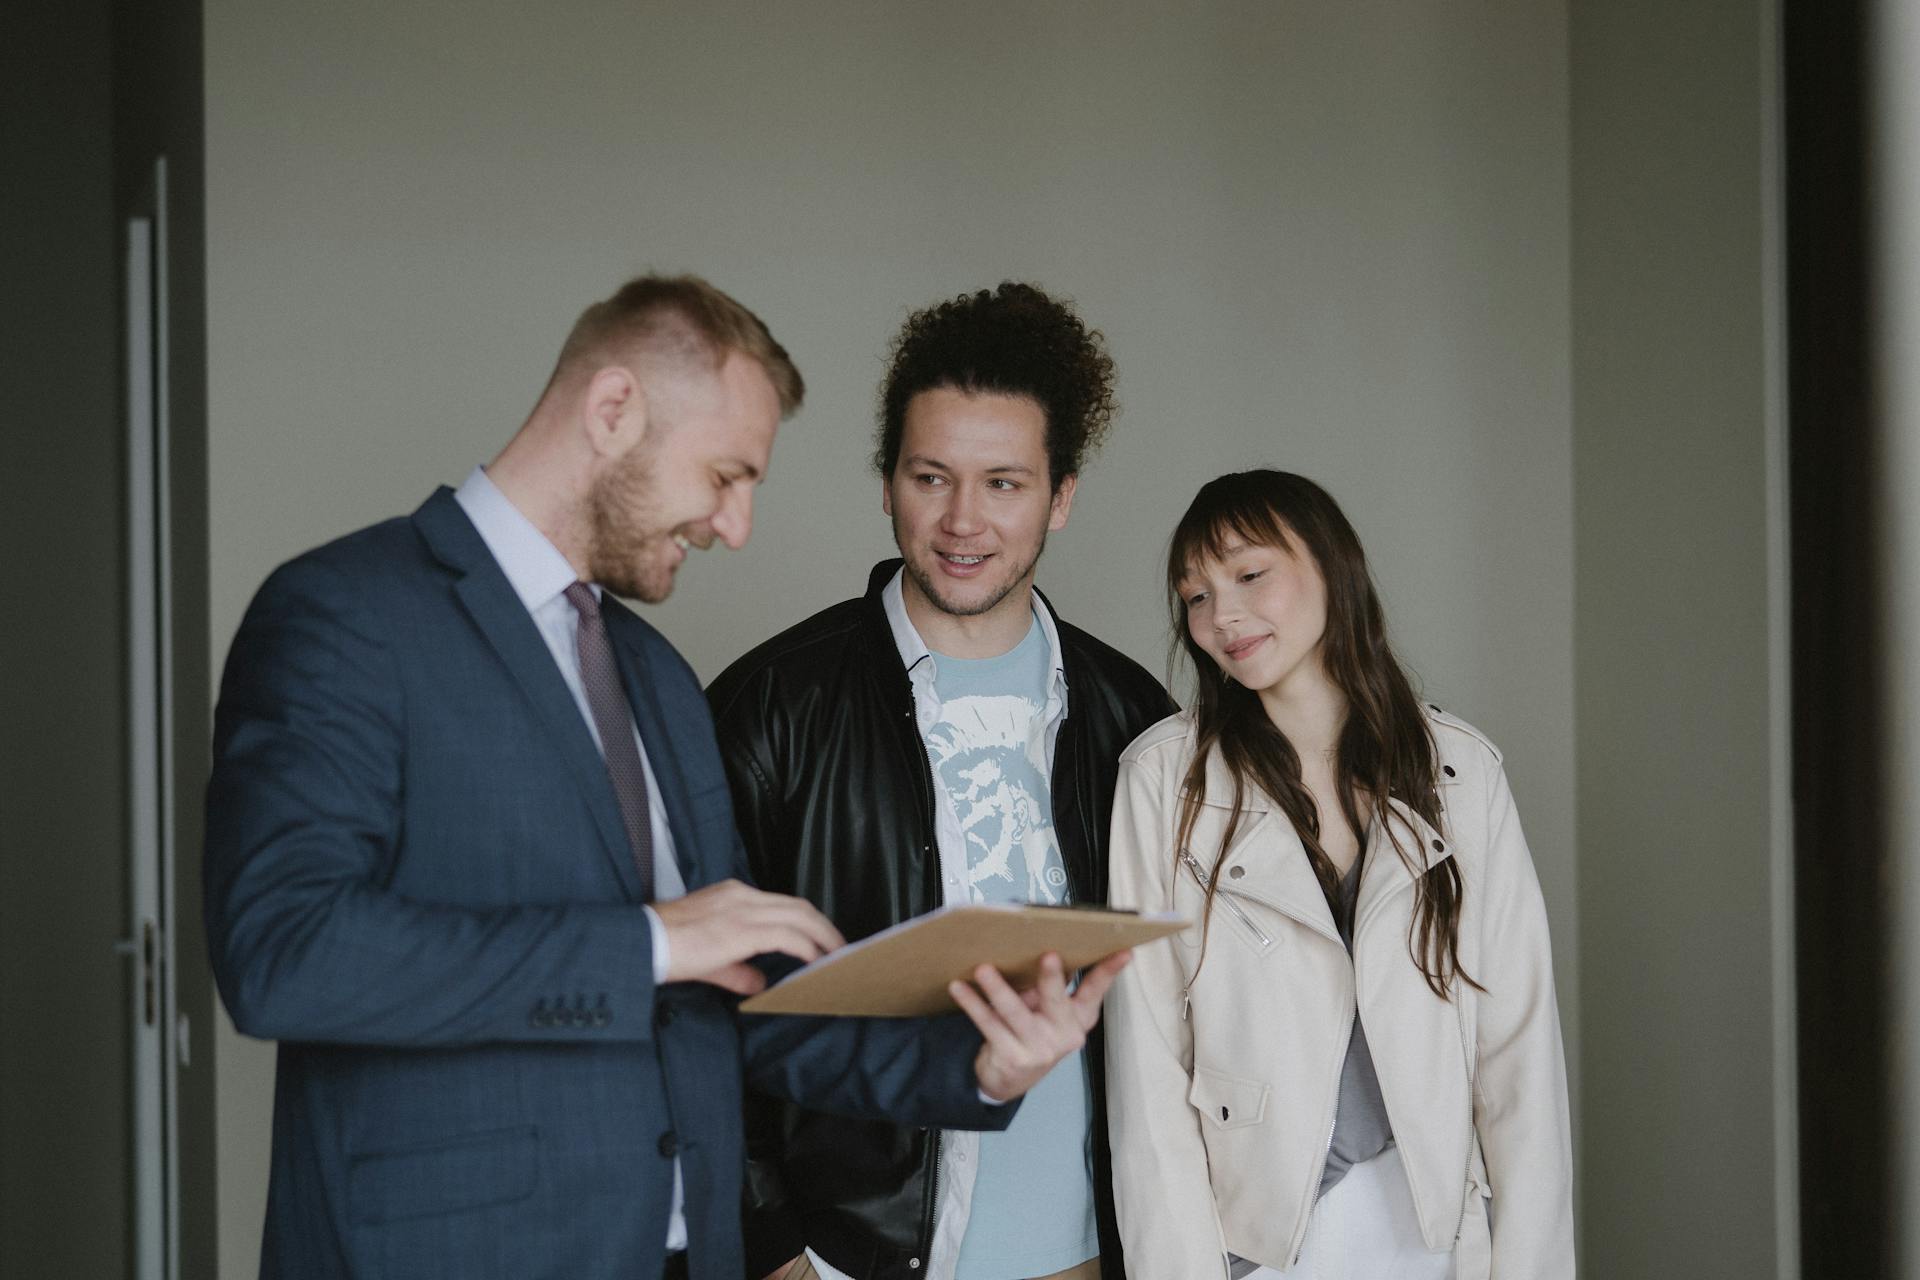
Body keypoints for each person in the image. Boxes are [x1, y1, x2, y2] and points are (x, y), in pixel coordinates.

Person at [203, 274, 1123, 1280]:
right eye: (727, 474)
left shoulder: (656, 675)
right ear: (614, 411)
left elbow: (735, 997)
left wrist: (976, 1069)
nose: (737, 526)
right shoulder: (345, 615)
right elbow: (280, 952)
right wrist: (649, 939)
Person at [708, 282, 1175, 1280]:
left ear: (1062, 494)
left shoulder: (1134, 716)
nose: (964, 520)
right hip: (843, 1259)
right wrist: (773, 1244)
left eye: (1004, 482)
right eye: (932, 476)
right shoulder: (768, 706)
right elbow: (701, 1016)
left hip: (1087, 1253)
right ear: (887, 481)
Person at [1102, 471, 1574, 1279]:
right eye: (1196, 597)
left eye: (1250, 575)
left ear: (1333, 567)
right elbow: (1146, 1073)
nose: (1223, 617)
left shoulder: (1460, 769)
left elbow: (1519, 1055)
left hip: (1437, 1235)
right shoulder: (1163, 780)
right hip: (1255, 1244)